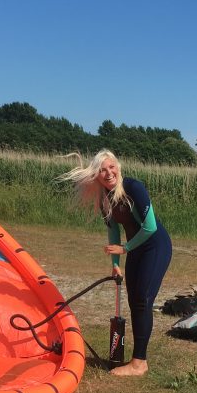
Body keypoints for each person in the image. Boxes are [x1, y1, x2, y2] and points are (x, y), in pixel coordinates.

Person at [59, 150, 173, 376]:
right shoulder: (105, 198)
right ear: (97, 175)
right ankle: (138, 360)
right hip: (135, 249)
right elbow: (113, 232)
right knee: (134, 301)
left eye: (111, 167)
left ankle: (139, 363)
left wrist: (125, 248)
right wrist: (115, 263)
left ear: (118, 167)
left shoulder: (133, 188)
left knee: (143, 300)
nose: (108, 173)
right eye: (102, 170)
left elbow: (150, 227)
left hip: (155, 246)